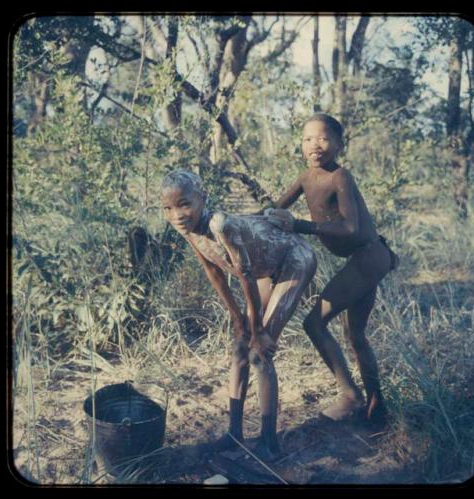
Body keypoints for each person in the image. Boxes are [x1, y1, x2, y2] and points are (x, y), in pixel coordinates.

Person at [161, 170, 317, 460]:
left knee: (260, 351)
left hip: (293, 259)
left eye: (185, 204)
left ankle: (269, 441)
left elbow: (244, 274)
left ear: (202, 198)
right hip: (263, 267)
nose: (178, 214)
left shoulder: (220, 225)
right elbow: (213, 271)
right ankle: (234, 433)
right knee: (239, 348)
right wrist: (237, 318)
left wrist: (256, 327)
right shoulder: (186, 228)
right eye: (168, 208)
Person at [265, 113, 399, 427]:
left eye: (324, 138)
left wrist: (300, 225)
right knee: (356, 336)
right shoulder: (305, 177)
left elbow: (351, 227)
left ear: (339, 144)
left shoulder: (341, 177)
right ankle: (377, 407)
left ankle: (351, 396)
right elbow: (275, 209)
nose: (316, 145)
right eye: (308, 138)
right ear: (301, 144)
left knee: (314, 323)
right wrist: (242, 222)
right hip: (368, 257)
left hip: (368, 255)